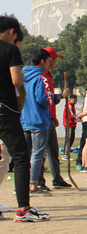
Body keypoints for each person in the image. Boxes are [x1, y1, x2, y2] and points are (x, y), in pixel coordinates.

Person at [0, 17, 51, 221]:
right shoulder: (10, 50)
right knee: (21, 157)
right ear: (12, 32)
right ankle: (24, 209)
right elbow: (17, 80)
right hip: (5, 109)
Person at [21, 49, 55, 195]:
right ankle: (33, 184)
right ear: (43, 61)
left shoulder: (22, 75)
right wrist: (56, 98)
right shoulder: (42, 77)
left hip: (25, 119)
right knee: (37, 153)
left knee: (25, 155)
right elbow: (44, 99)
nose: (49, 64)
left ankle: (22, 184)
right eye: (48, 61)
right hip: (39, 120)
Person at [38, 46, 71, 190]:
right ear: (49, 60)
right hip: (42, 119)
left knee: (53, 150)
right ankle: (38, 180)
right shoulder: (42, 76)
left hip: (49, 117)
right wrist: (60, 96)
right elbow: (45, 98)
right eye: (55, 58)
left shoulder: (48, 75)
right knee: (41, 151)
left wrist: (53, 115)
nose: (56, 61)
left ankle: (56, 178)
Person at [62, 94, 77, 161]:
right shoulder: (69, 105)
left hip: (71, 124)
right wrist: (78, 117)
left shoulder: (72, 106)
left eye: (76, 100)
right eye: (74, 100)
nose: (75, 101)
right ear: (70, 99)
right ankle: (65, 154)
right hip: (69, 124)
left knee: (70, 138)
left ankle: (66, 153)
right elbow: (71, 115)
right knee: (69, 138)